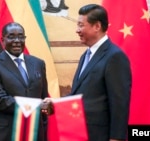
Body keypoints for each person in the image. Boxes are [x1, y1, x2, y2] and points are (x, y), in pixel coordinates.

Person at [43, 4, 132, 141]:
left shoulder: (115, 56)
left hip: (100, 135)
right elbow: (82, 96)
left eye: (80, 25)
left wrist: (116, 138)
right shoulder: (86, 55)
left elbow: (119, 103)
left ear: (97, 26)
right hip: (80, 133)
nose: (77, 30)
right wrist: (56, 103)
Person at [0, 22, 49, 141]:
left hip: (35, 133)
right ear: (2, 40)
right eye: (11, 36)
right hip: (6, 133)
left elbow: (44, 97)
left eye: (21, 36)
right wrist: (36, 106)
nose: (17, 40)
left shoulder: (38, 63)